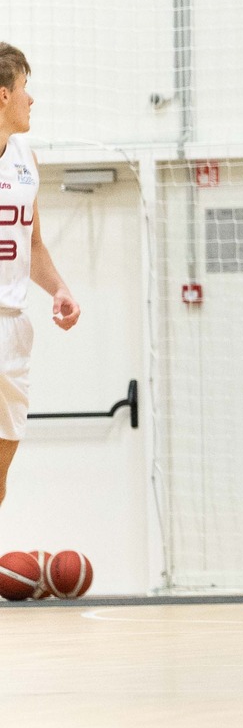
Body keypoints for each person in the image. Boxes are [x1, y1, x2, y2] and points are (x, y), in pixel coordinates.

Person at [0, 45, 81, 510]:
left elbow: (32, 245)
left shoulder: (25, 159)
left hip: (13, 325)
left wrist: (59, 288)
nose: (31, 100)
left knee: (0, 474)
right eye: (24, 88)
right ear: (3, 94)